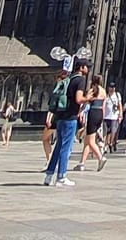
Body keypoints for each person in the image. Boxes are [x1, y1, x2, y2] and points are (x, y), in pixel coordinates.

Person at [42, 58, 89, 187]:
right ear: (81, 67)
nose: (88, 69)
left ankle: (49, 176)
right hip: (70, 118)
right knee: (66, 148)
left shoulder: (68, 79)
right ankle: (61, 176)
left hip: (61, 116)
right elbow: (79, 99)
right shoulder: (80, 80)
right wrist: (89, 98)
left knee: (58, 147)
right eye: (87, 66)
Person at [75, 78, 108, 172]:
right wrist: (102, 119)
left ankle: (100, 157)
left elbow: (85, 101)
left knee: (90, 141)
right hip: (100, 114)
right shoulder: (104, 91)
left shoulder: (92, 90)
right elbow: (104, 106)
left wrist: (80, 112)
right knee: (88, 139)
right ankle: (82, 163)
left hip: (93, 113)